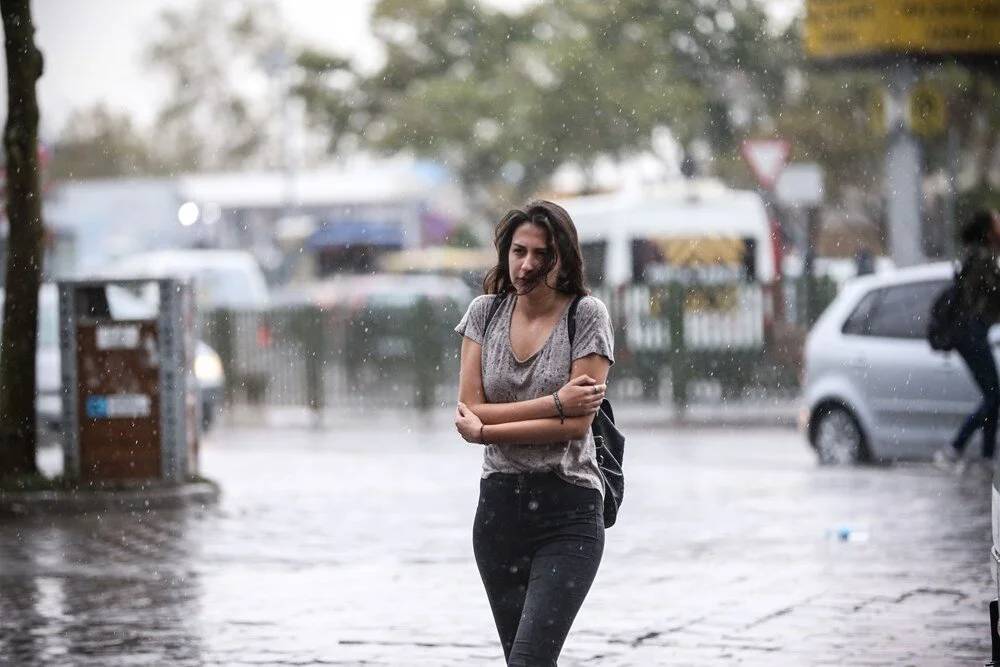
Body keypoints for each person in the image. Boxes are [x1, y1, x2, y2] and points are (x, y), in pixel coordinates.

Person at [453, 200, 614, 666]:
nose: (527, 264)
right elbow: (469, 409)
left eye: (541, 253)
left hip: (568, 511)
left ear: (563, 257)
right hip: (498, 512)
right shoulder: (483, 313)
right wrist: (554, 403)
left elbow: (577, 425)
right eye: (518, 251)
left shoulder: (586, 315)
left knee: (529, 661)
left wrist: (489, 430)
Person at [935, 208, 1000, 477]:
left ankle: (985, 457)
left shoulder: (977, 257)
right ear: (988, 232)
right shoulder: (983, 259)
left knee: (993, 395)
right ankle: (955, 448)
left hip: (971, 333)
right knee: (995, 395)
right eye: (997, 222)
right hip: (971, 333)